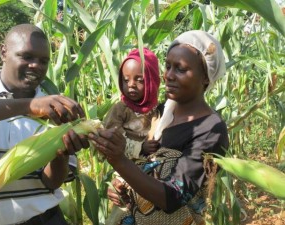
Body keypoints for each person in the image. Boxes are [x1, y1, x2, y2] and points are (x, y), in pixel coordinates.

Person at [89, 30, 229, 224]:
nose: (169, 76)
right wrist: (122, 185)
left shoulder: (211, 129)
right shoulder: (160, 113)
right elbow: (143, 166)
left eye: (180, 69)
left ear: (205, 77)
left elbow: (173, 197)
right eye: (168, 66)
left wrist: (119, 159)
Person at [0, 24, 89, 225]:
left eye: (44, 61)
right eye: (26, 57)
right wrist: (30, 106)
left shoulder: (56, 108)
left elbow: (51, 183)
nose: (36, 66)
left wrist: (62, 152)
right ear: (3, 52)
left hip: (44, 219)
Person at [103, 48, 161, 159]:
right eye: (126, 80)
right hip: (124, 166)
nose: (131, 85)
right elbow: (111, 139)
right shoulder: (120, 109)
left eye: (139, 80)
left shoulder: (156, 110)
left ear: (152, 82)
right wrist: (140, 148)